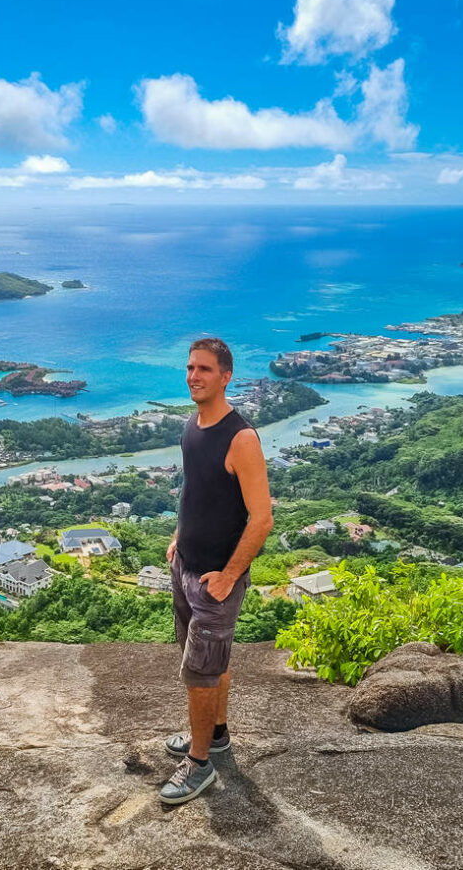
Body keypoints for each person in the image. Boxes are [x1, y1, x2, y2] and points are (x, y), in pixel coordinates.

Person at [160, 337, 273, 805]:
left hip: (215, 580)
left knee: (200, 673)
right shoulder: (194, 425)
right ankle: (216, 734)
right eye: (190, 368)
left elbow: (262, 517)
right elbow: (197, 491)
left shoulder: (240, 438)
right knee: (209, 661)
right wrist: (177, 537)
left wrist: (228, 576)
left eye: (204, 369)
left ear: (226, 376)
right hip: (186, 565)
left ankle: (200, 764)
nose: (194, 376)